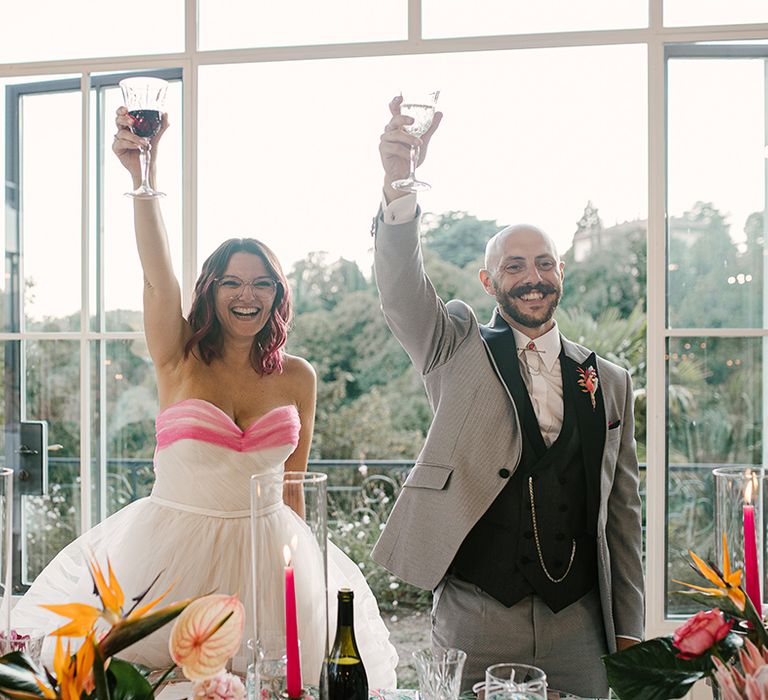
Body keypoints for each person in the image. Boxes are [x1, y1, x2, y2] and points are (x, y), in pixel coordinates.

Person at [12, 107, 398, 689]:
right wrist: (143, 178)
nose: (248, 295)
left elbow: (295, 489)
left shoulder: (299, 378)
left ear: (277, 294)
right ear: (211, 290)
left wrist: (310, 574)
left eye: (262, 282)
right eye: (233, 282)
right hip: (168, 558)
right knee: (156, 680)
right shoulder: (178, 357)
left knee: (273, 682)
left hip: (270, 561)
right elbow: (156, 275)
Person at [370, 96, 644, 698]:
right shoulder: (454, 344)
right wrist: (399, 183)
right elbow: (400, 289)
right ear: (489, 281)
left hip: (578, 622)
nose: (532, 276)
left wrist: (630, 631)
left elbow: (622, 517)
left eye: (544, 263)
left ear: (562, 273)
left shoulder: (610, 380)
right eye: (514, 266)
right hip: (476, 614)